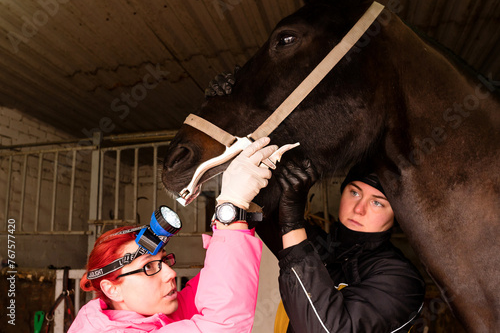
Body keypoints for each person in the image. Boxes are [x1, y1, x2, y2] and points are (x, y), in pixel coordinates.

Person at [68, 137, 277, 333]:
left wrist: (235, 216)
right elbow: (221, 325)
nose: (170, 274)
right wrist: (231, 210)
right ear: (112, 290)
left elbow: (209, 292)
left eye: (164, 260)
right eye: (148, 266)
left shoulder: (149, 316)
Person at [274, 161, 426, 333]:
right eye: (354, 192)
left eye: (377, 203)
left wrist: (292, 224)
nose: (359, 209)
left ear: (397, 216)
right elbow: (266, 213)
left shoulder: (402, 281)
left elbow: (329, 329)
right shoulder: (322, 246)